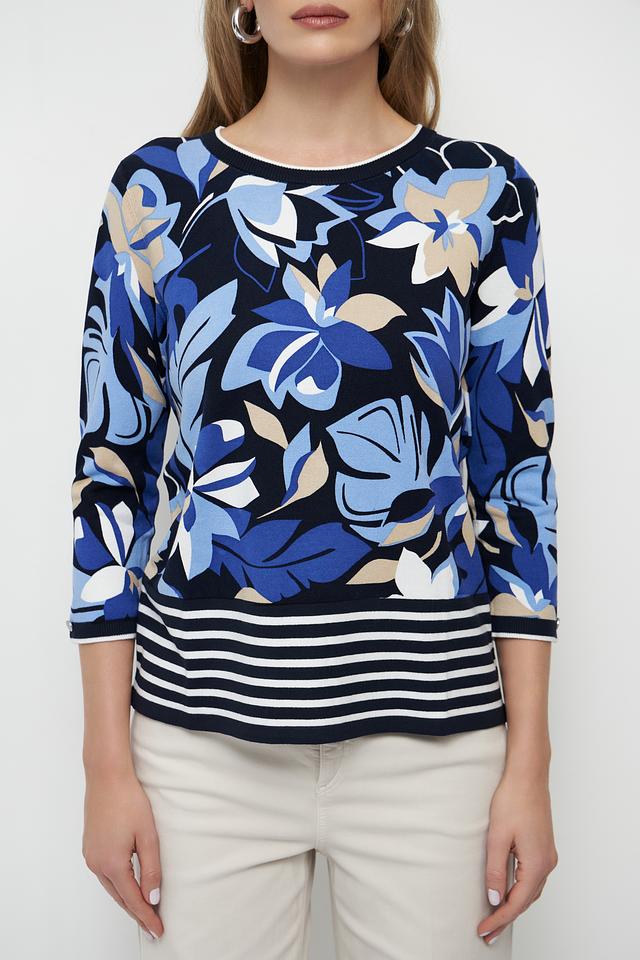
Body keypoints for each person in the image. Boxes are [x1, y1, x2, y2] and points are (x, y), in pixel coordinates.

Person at [67, 1, 559, 957]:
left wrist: (529, 766)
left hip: (436, 747)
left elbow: (519, 484)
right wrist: (104, 767)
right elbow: (108, 478)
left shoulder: (484, 195)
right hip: (200, 747)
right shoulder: (160, 193)